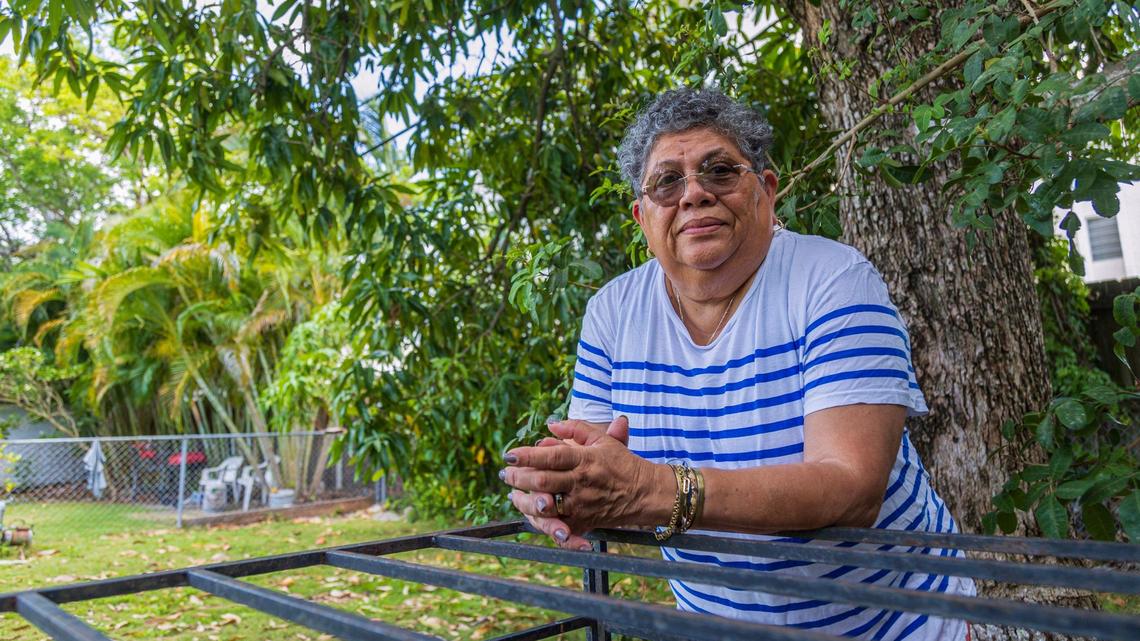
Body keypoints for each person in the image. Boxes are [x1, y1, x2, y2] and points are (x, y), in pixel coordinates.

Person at [499, 87, 975, 640]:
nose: (694, 194)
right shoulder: (612, 313)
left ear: (766, 193)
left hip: (899, 624)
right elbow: (599, 476)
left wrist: (655, 491)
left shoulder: (833, 279)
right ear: (641, 216)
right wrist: (556, 489)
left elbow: (852, 488)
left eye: (720, 171)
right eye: (667, 182)